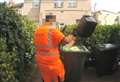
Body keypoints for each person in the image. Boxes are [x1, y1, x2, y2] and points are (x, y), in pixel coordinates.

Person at [34, 15, 75, 82]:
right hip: (52, 64)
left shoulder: (37, 30)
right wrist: (74, 35)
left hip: (41, 62)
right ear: (51, 20)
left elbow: (46, 42)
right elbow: (66, 41)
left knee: (46, 78)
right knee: (56, 78)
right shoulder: (52, 30)